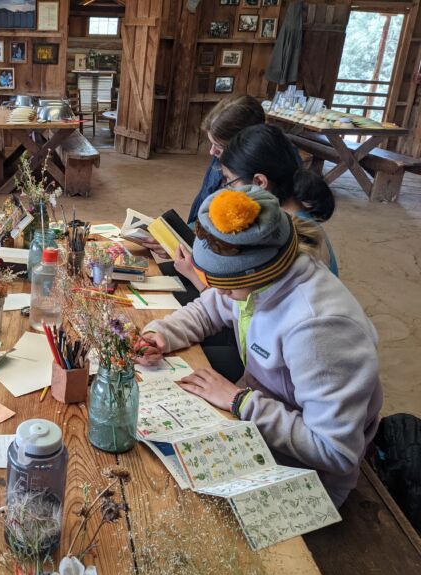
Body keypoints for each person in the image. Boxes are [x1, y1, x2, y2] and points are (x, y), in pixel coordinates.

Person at [136, 187, 382, 507]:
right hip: (257, 430)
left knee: (164, 498)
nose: (219, 293)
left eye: (226, 286)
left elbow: (334, 451)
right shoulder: (263, 281)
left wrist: (241, 402)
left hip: (307, 478)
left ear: (257, 274)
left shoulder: (319, 330)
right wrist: (163, 333)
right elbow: (210, 308)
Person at [175, 123, 339, 292]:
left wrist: (195, 277)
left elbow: (243, 310)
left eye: (230, 182)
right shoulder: (277, 218)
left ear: (259, 182)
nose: (226, 190)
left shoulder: (291, 239)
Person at [187, 95, 266, 224]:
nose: (212, 152)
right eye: (211, 143)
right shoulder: (222, 158)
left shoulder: (257, 182)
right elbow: (204, 198)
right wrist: (181, 233)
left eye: (219, 146)